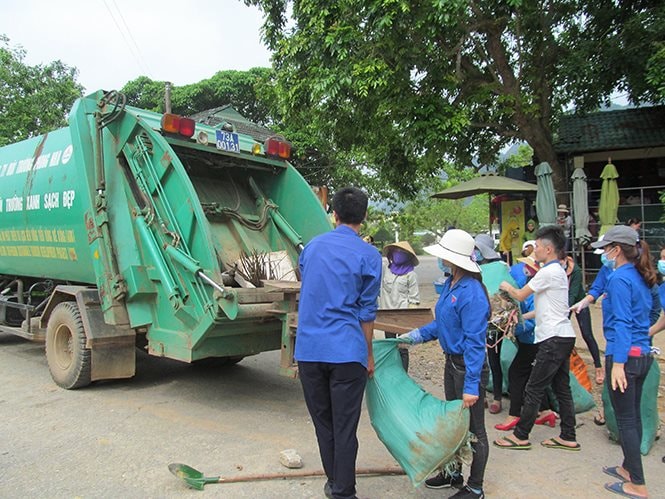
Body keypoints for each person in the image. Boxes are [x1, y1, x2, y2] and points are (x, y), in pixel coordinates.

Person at [295, 186, 382, 499]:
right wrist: (369, 355)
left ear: (333, 213)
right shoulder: (370, 256)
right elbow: (367, 313)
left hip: (309, 350)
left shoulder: (312, 248)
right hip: (347, 351)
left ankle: (336, 484)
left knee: (324, 424)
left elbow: (309, 283)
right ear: (364, 216)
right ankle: (343, 490)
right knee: (345, 426)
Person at [402, 229, 490, 499]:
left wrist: (472, 386)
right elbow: (443, 324)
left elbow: (475, 343)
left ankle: (475, 487)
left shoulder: (472, 293)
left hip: (467, 367)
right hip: (453, 364)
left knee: (475, 429)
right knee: (453, 422)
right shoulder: (453, 283)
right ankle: (453, 474)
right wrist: (416, 336)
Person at [494, 225, 580, 452]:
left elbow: (520, 294)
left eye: (538, 246)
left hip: (552, 339)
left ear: (549, 249)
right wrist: (518, 317)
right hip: (563, 336)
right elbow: (543, 309)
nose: (535, 251)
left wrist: (506, 286)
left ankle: (521, 435)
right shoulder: (557, 271)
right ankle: (568, 435)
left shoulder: (547, 272)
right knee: (562, 388)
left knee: (534, 387)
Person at [589, 225, 655, 499]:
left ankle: (638, 484)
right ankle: (629, 468)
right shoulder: (640, 276)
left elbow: (623, 323)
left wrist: (617, 363)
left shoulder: (618, 279)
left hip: (625, 357)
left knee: (625, 419)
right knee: (633, 416)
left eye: (606, 248)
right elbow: (649, 314)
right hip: (642, 355)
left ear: (616, 250)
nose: (603, 253)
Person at [495, 257, 556, 431]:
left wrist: (511, 328)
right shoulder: (531, 286)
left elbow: (533, 319)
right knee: (532, 377)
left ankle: (514, 414)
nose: (525, 270)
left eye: (528, 267)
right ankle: (545, 411)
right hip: (532, 340)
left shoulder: (534, 291)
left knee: (516, 373)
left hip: (533, 341)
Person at [474, 233, 515, 415]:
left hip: (495, 321)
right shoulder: (472, 268)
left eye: (477, 249)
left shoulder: (501, 268)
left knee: (493, 359)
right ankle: (480, 395)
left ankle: (497, 397)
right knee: (476, 358)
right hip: (475, 319)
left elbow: (510, 291)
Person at [560, 251, 603, 385]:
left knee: (587, 334)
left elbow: (573, 293)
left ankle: (598, 366)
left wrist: (562, 311)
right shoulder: (553, 269)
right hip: (564, 304)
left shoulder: (576, 271)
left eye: (560, 262)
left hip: (579, 303)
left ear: (565, 260)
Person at [379, 241, 420, 370]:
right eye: (396, 252)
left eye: (402, 253)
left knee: (402, 347)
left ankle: (403, 374)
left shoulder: (411, 275)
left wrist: (410, 320)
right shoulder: (386, 270)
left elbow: (414, 299)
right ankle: (391, 372)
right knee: (390, 345)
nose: (398, 255)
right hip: (387, 314)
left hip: (403, 316)